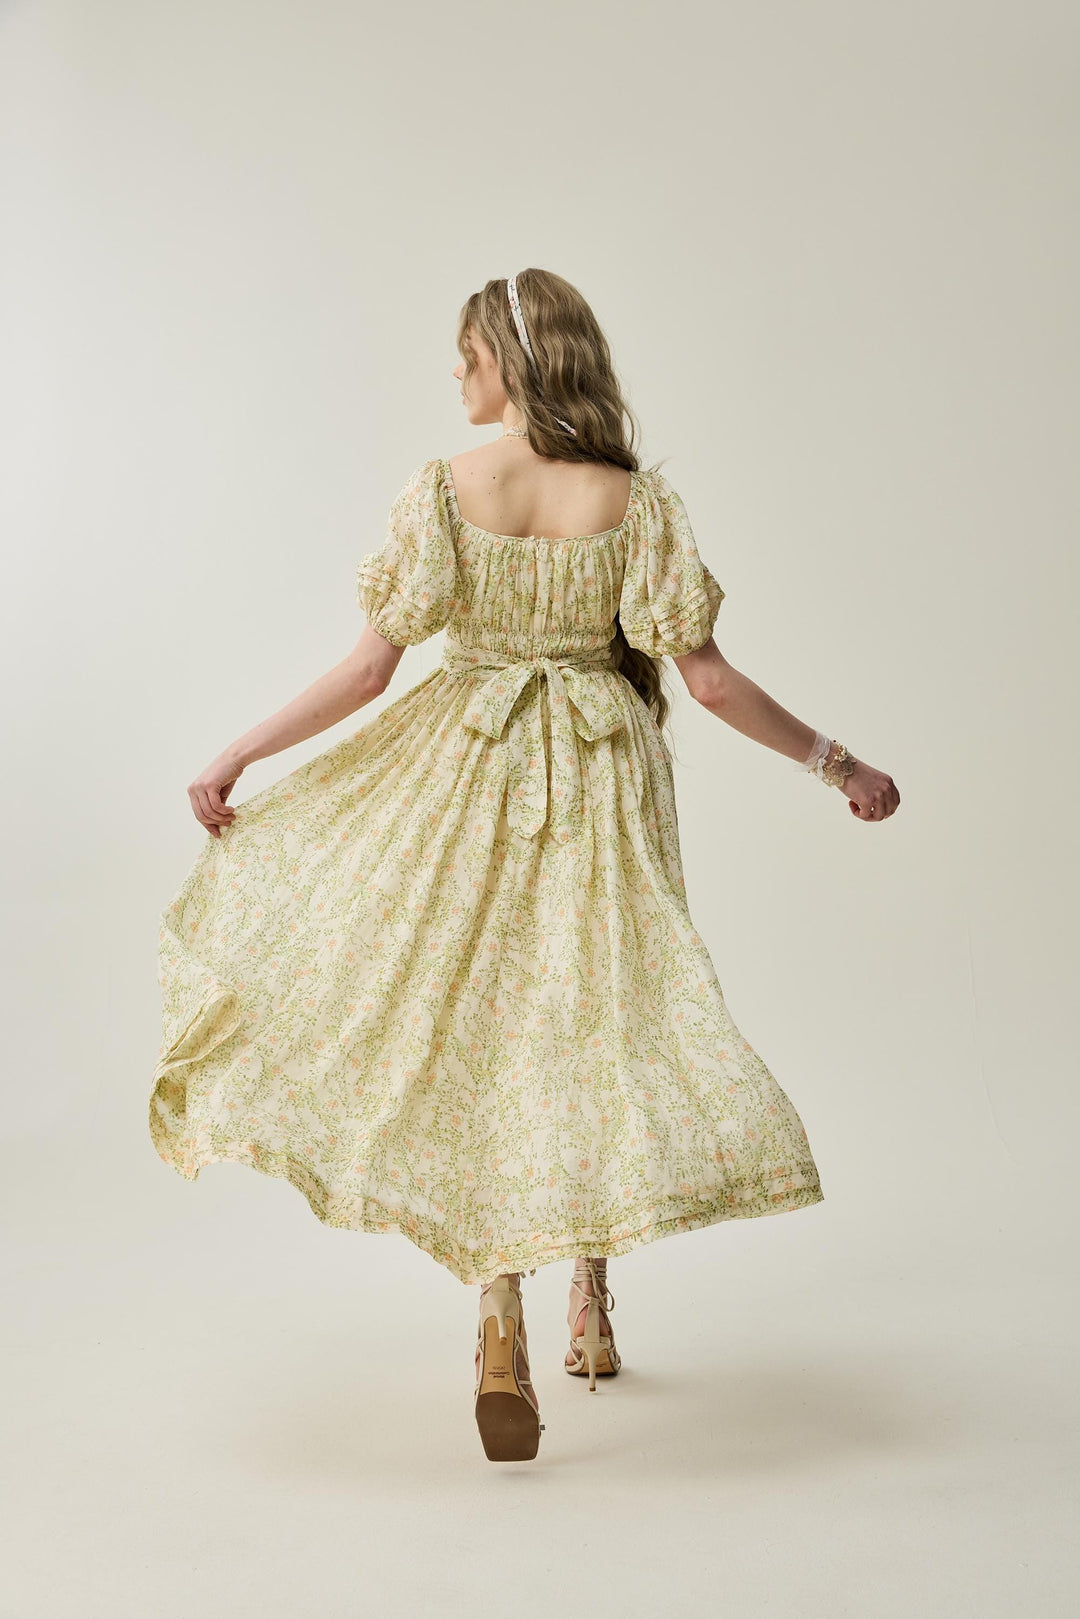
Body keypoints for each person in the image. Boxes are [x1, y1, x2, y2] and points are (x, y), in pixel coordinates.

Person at [150, 267, 900, 1465]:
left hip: (471, 771)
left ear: (514, 359)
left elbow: (368, 672)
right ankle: (590, 1303)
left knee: (487, 1030)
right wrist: (837, 763)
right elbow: (708, 682)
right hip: (603, 775)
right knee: (591, 1018)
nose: (456, 372)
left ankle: (498, 1305)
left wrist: (240, 750)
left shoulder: (448, 492)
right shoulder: (635, 502)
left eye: (470, 353)